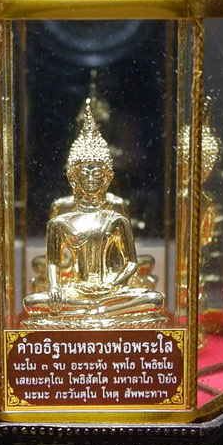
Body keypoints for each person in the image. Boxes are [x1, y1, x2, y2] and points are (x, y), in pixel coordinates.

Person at [22, 100, 164, 328]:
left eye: (96, 173)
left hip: (109, 291)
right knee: (32, 302)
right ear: (73, 177)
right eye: (84, 173)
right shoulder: (60, 222)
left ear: (107, 176)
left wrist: (113, 284)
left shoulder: (116, 218)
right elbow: (53, 264)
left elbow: (131, 264)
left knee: (153, 299)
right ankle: (98, 312)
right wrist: (56, 288)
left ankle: (91, 312)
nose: (90, 178)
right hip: (74, 290)